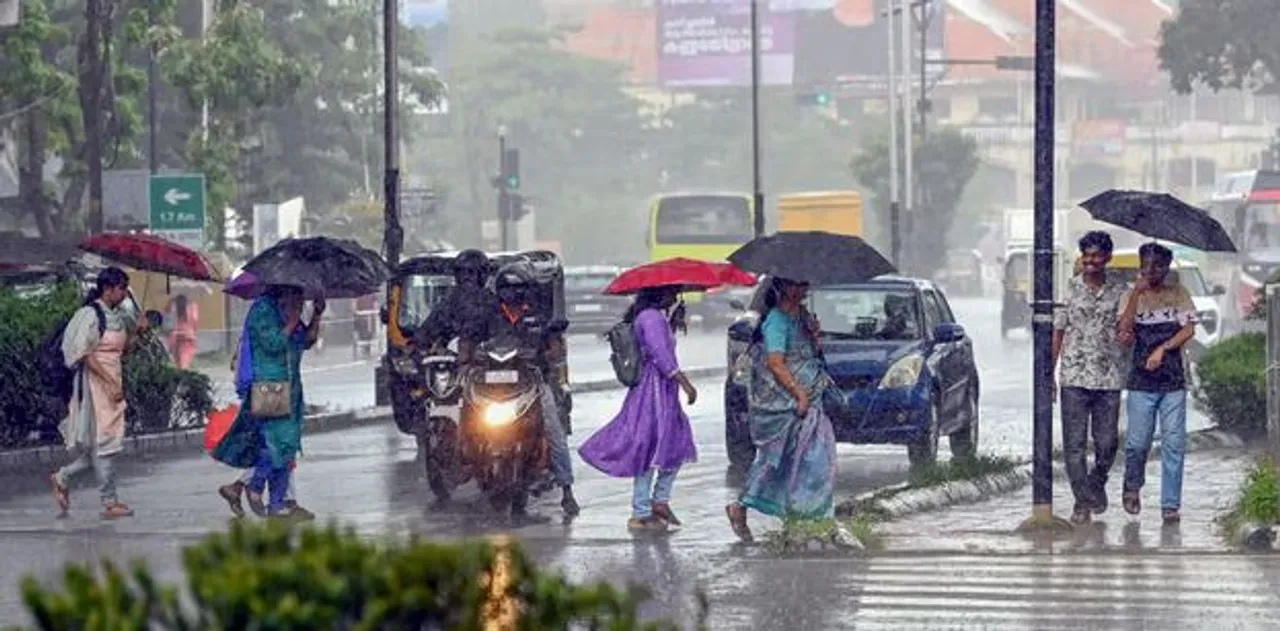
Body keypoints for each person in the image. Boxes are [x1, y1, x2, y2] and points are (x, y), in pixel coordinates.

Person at [417, 250, 579, 516]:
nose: (512, 295)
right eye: (507, 289)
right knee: (462, 412)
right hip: (490, 384)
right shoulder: (486, 310)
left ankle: (567, 490)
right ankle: (465, 458)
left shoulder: (538, 316)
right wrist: (466, 361)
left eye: (518, 290)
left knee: (553, 428)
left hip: (530, 381)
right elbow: (468, 342)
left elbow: (555, 346)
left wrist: (545, 355)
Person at [725, 278, 841, 543]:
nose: (801, 290)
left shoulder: (802, 317)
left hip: (813, 401)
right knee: (774, 463)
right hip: (786, 405)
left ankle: (810, 519)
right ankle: (743, 507)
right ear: (781, 287)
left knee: (816, 461)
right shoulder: (776, 320)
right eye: (795, 285)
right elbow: (776, 363)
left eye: (804, 285)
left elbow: (808, 355)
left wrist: (814, 335)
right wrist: (798, 394)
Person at [578, 286, 698, 532]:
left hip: (662, 390)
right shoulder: (651, 318)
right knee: (649, 445)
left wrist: (673, 323)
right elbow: (662, 356)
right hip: (653, 390)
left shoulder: (655, 317)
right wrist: (685, 383)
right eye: (670, 292)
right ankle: (642, 510)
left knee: (675, 441)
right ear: (657, 293)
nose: (674, 296)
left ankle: (658, 501)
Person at [212, 286, 323, 519]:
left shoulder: (286, 310)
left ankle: (277, 503)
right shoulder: (263, 310)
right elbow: (273, 344)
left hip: (291, 388)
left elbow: (306, 341)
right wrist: (292, 320)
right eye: (297, 295)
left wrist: (316, 315)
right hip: (269, 384)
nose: (300, 301)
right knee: (274, 444)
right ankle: (255, 485)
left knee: (287, 446)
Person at [1117, 242, 1197, 525]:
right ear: (1140, 266)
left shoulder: (1178, 294)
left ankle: (1170, 505)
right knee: (1138, 443)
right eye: (1148, 266)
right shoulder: (1130, 294)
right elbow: (1124, 332)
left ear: (1167, 267)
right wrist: (1136, 295)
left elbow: (1189, 329)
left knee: (1174, 443)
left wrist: (1164, 348)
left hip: (1173, 380)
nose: (1153, 271)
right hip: (1140, 381)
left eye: (1160, 266)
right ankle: (1132, 486)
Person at [1052, 231, 1129, 524]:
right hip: (1074, 376)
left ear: (1108, 258)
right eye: (1087, 255)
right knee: (1074, 445)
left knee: (1107, 443)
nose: (1092, 261)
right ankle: (1082, 502)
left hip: (1108, 378)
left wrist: (1126, 332)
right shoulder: (1068, 290)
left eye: (1097, 256)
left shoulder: (1121, 292)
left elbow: (1127, 329)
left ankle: (1096, 482)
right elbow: (1058, 332)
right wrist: (1050, 373)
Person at [50, 267, 136, 519]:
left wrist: (138, 331)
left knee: (100, 447)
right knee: (105, 442)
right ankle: (110, 502)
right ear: (108, 288)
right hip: (96, 385)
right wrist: (109, 382)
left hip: (112, 380)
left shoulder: (117, 315)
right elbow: (86, 355)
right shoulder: (90, 314)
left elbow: (122, 350)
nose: (124, 293)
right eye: (121, 288)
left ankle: (62, 477)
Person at [167, 294, 199, 369]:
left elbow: (168, 319)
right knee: (184, 360)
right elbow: (194, 321)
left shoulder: (173, 306)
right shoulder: (192, 307)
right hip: (188, 336)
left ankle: (180, 371)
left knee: (178, 361)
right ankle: (183, 370)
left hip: (176, 336)